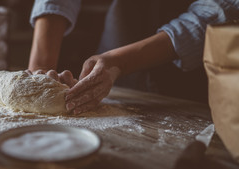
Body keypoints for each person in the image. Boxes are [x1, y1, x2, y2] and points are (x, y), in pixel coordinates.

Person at [28, 0, 239, 115]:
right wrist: (39, 72)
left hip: (199, 52)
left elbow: (223, 8)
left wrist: (120, 62)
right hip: (125, 22)